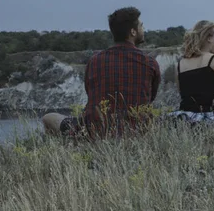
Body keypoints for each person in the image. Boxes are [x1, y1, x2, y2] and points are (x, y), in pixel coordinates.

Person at [42, 7, 161, 138]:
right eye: (141, 26)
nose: (143, 29)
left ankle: (67, 151)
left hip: (96, 131)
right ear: (133, 32)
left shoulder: (94, 61)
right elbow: (150, 98)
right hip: (137, 130)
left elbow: (91, 93)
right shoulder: (149, 63)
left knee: (49, 118)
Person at [167, 20, 214, 124]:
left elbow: (184, 95)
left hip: (184, 120)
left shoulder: (179, 65)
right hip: (210, 119)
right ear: (209, 38)